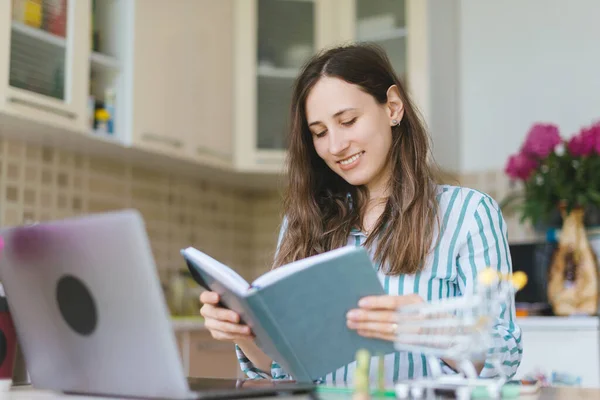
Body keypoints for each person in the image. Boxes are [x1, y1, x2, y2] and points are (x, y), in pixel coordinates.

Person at [199, 43, 522, 385]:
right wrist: (244, 333)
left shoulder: (467, 214)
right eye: (320, 133)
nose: (335, 146)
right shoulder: (302, 222)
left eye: (348, 121)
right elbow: (285, 371)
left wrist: (427, 326)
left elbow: (504, 358)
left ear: (393, 107)